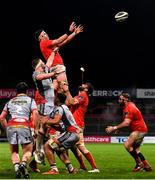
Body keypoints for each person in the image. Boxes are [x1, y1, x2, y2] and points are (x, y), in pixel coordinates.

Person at [105, 92, 152, 172]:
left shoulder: (129, 108)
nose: (118, 100)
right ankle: (146, 166)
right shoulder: (129, 105)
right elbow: (128, 121)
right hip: (140, 129)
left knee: (127, 145)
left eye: (120, 99)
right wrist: (118, 129)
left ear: (126, 99)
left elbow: (126, 123)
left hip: (139, 129)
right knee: (136, 150)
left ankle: (139, 164)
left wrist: (114, 128)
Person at [0, 82, 38, 179]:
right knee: (28, 151)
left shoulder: (10, 101)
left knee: (14, 151)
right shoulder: (30, 100)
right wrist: (36, 129)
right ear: (27, 91)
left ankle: (17, 168)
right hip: (24, 125)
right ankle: (23, 164)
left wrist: (6, 128)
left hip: (11, 125)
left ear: (16, 91)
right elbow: (35, 114)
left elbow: (1, 117)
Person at [34, 21, 83, 91]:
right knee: (66, 90)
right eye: (44, 33)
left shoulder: (47, 44)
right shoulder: (44, 42)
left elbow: (65, 41)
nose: (46, 34)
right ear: (40, 37)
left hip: (55, 67)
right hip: (57, 67)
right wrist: (69, 31)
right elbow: (59, 40)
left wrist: (74, 33)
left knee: (59, 92)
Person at [40, 92, 80, 174]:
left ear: (57, 99)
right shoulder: (64, 107)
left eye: (55, 97)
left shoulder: (59, 108)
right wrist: (49, 123)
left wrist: (45, 121)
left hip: (71, 133)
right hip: (72, 133)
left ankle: (54, 169)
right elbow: (59, 126)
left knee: (47, 145)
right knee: (56, 147)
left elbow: (56, 120)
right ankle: (70, 169)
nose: (53, 99)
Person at [66, 83, 100, 173]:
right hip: (73, 124)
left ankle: (94, 168)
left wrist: (67, 91)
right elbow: (67, 103)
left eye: (84, 85)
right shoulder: (78, 95)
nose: (81, 84)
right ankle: (82, 167)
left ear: (86, 89)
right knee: (74, 148)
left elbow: (72, 102)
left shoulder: (83, 95)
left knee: (80, 146)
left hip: (77, 124)